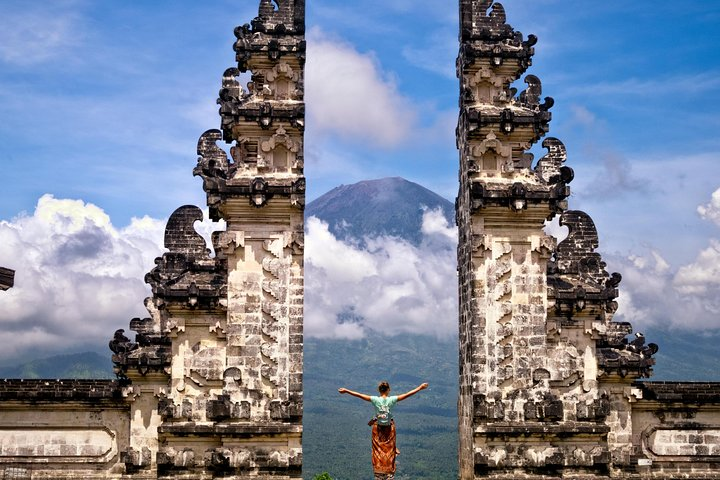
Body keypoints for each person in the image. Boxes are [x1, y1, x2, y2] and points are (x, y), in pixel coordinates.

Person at [338, 382, 429, 480]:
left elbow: (359, 395)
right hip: (390, 428)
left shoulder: (375, 399)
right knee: (389, 450)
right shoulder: (392, 399)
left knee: (377, 449)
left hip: (378, 428)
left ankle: (378, 473)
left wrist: (346, 391)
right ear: (388, 390)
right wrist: (420, 387)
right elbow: (407, 394)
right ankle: (389, 473)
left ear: (379, 390)